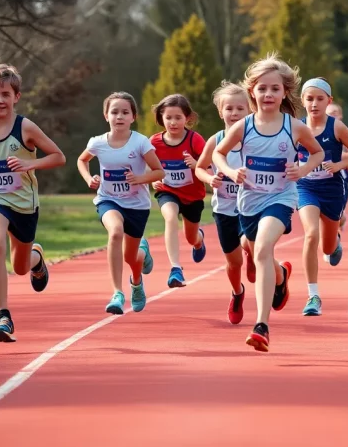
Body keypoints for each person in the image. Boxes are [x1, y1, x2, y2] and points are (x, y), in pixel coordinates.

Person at [213, 53, 324, 352]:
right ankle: (281, 275)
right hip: (248, 201)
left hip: (281, 197)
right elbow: (218, 154)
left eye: (274, 89)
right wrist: (229, 171)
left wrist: (301, 170)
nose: (268, 94)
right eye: (262, 89)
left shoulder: (295, 127)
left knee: (261, 248)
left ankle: (261, 325)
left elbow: (318, 153)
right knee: (257, 252)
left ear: (284, 92)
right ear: (253, 92)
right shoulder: (244, 127)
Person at [0, 64, 66, 342]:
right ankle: (3, 316)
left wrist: (29, 163)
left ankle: (36, 258)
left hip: (24, 205)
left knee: (20, 267)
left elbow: (58, 156)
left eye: (5, 94)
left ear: (16, 97)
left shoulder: (25, 128)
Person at [77, 92, 165, 314]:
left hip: (137, 206)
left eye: (125, 112)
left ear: (133, 117)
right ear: (106, 115)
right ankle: (117, 292)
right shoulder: (97, 142)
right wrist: (90, 179)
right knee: (115, 232)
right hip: (108, 200)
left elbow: (159, 171)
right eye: (114, 112)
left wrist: (140, 179)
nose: (119, 116)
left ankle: (136, 280)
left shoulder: (140, 142)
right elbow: (81, 160)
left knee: (131, 257)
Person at [297, 78, 348, 316]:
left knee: (326, 247)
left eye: (319, 99)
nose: (314, 104)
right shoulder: (297, 127)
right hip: (305, 188)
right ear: (302, 101)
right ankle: (313, 295)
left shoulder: (336, 127)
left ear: (329, 101)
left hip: (332, 190)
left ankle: (334, 241)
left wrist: (338, 164)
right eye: (309, 99)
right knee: (310, 234)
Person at [195, 81, 256, 324]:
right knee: (233, 263)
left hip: (250, 205)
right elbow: (199, 169)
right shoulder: (215, 140)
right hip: (224, 210)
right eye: (229, 108)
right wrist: (210, 178)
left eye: (240, 109)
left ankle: (251, 252)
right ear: (221, 112)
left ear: (250, 111)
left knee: (248, 242)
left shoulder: (255, 140)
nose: (234, 113)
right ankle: (237, 293)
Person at [149, 94, 207, 288]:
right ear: (161, 119)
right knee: (170, 217)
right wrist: (153, 179)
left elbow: (211, 168)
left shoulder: (195, 140)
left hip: (193, 196)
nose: (173, 122)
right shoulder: (154, 142)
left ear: (187, 118)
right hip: (168, 191)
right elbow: (147, 166)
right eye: (168, 118)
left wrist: (196, 164)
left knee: (191, 238)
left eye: (178, 118)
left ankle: (199, 241)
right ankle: (175, 268)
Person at [325, 102, 348, 230]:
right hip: (319, 179)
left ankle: (341, 221)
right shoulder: (316, 133)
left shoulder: (344, 133)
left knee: (337, 216)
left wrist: (336, 157)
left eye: (335, 113)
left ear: (340, 116)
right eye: (329, 114)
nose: (332, 116)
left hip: (339, 179)